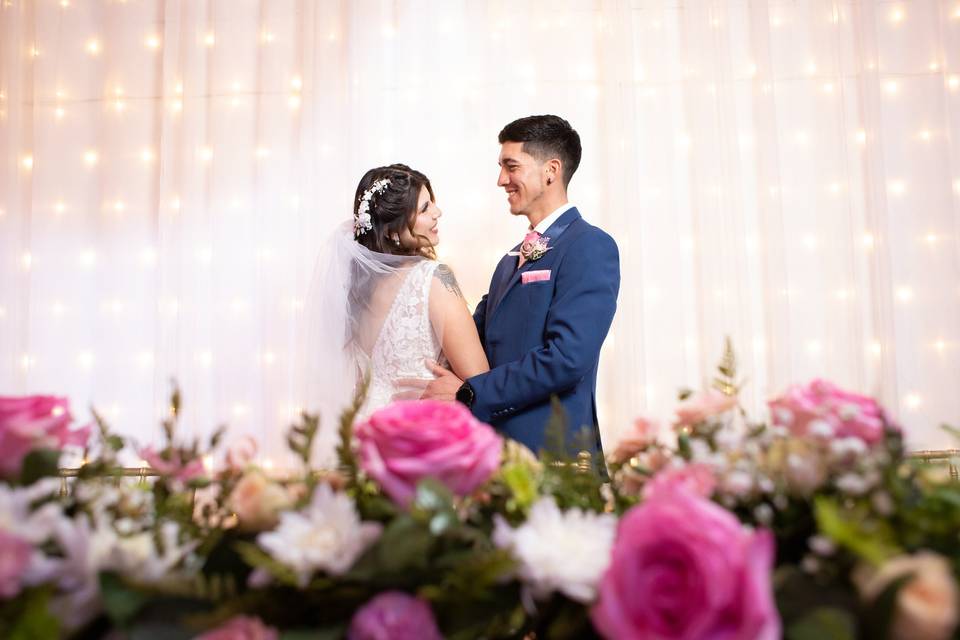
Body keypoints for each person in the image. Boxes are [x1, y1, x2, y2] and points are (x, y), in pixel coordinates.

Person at [418, 115, 620, 456]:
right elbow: (473, 337)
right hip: (496, 457)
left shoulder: (589, 245)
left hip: (555, 460)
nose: (501, 180)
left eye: (511, 166)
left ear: (551, 170)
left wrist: (470, 393)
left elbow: (567, 359)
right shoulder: (509, 260)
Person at [300, 164, 488, 447]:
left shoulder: (354, 292)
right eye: (425, 208)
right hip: (421, 433)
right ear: (392, 232)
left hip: (364, 435)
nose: (437, 213)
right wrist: (464, 392)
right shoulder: (433, 277)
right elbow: (480, 380)